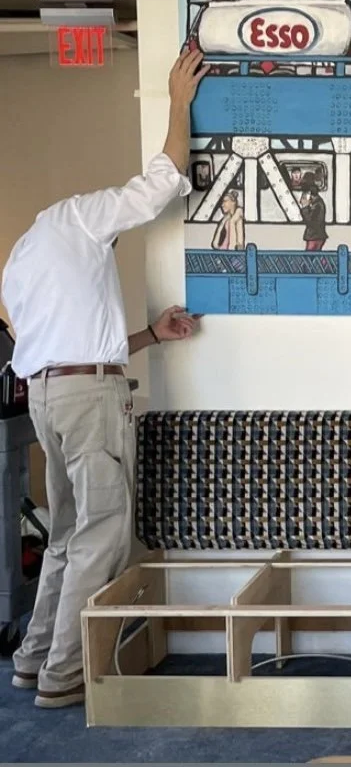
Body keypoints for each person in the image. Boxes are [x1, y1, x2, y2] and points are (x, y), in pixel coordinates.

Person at [0, 47, 208, 709]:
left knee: (66, 536)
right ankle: (65, 673)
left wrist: (150, 335)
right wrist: (179, 103)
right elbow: (160, 183)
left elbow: (71, 344)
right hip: (87, 402)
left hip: (49, 398)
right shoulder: (81, 216)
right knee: (103, 533)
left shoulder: (24, 256)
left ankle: (33, 660)